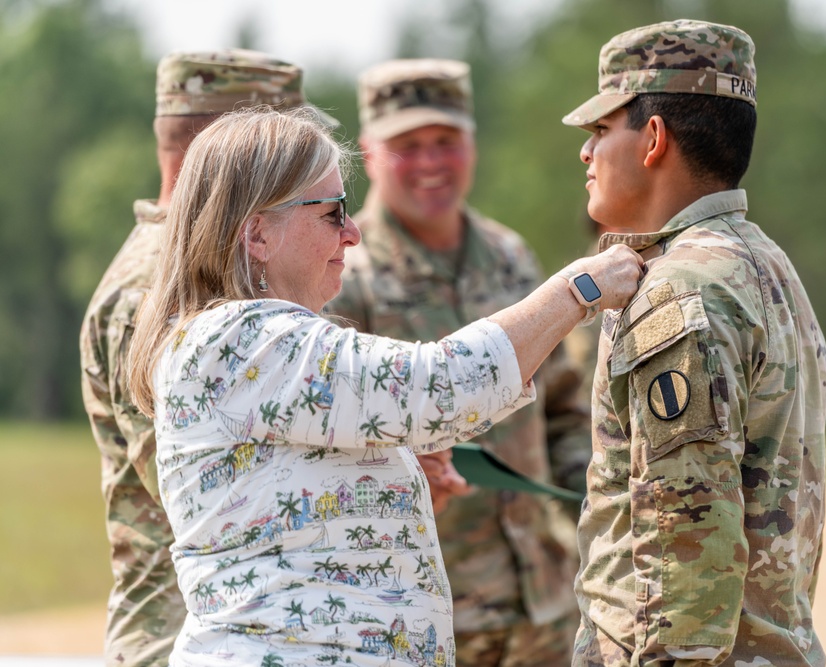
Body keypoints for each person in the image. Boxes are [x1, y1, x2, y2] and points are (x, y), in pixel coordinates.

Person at [124, 106, 643, 667]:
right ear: (256, 233)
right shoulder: (246, 338)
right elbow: (440, 386)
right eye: (332, 212)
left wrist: (381, 487)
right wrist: (580, 287)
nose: (352, 233)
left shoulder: (239, 342)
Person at [562, 20, 826, 666]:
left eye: (601, 129)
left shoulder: (677, 292)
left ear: (653, 139)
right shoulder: (767, 266)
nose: (586, 153)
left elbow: (687, 551)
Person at [324, 57, 589, 666]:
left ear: (471, 143)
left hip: (543, 604)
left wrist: (589, 510)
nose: (430, 163)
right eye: (406, 145)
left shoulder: (509, 257)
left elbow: (563, 407)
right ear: (367, 151)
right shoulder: (345, 279)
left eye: (446, 141)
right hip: (424, 614)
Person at [79, 49, 339, 667]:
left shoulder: (203, 267)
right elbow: (208, 489)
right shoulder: (154, 290)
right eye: (282, 142)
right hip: (181, 637)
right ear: (223, 145)